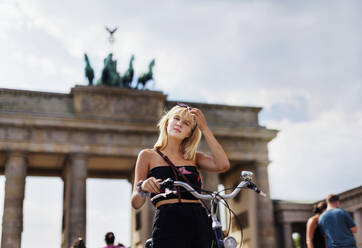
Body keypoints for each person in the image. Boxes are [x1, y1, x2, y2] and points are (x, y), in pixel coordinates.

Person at [131, 103, 230, 248]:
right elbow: (136, 203)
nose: (179, 124)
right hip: (168, 221)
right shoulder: (147, 156)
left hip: (198, 219)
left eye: (186, 123)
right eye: (176, 118)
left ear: (189, 133)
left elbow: (223, 165)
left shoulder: (194, 157)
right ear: (167, 122)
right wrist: (143, 187)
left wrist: (204, 128)